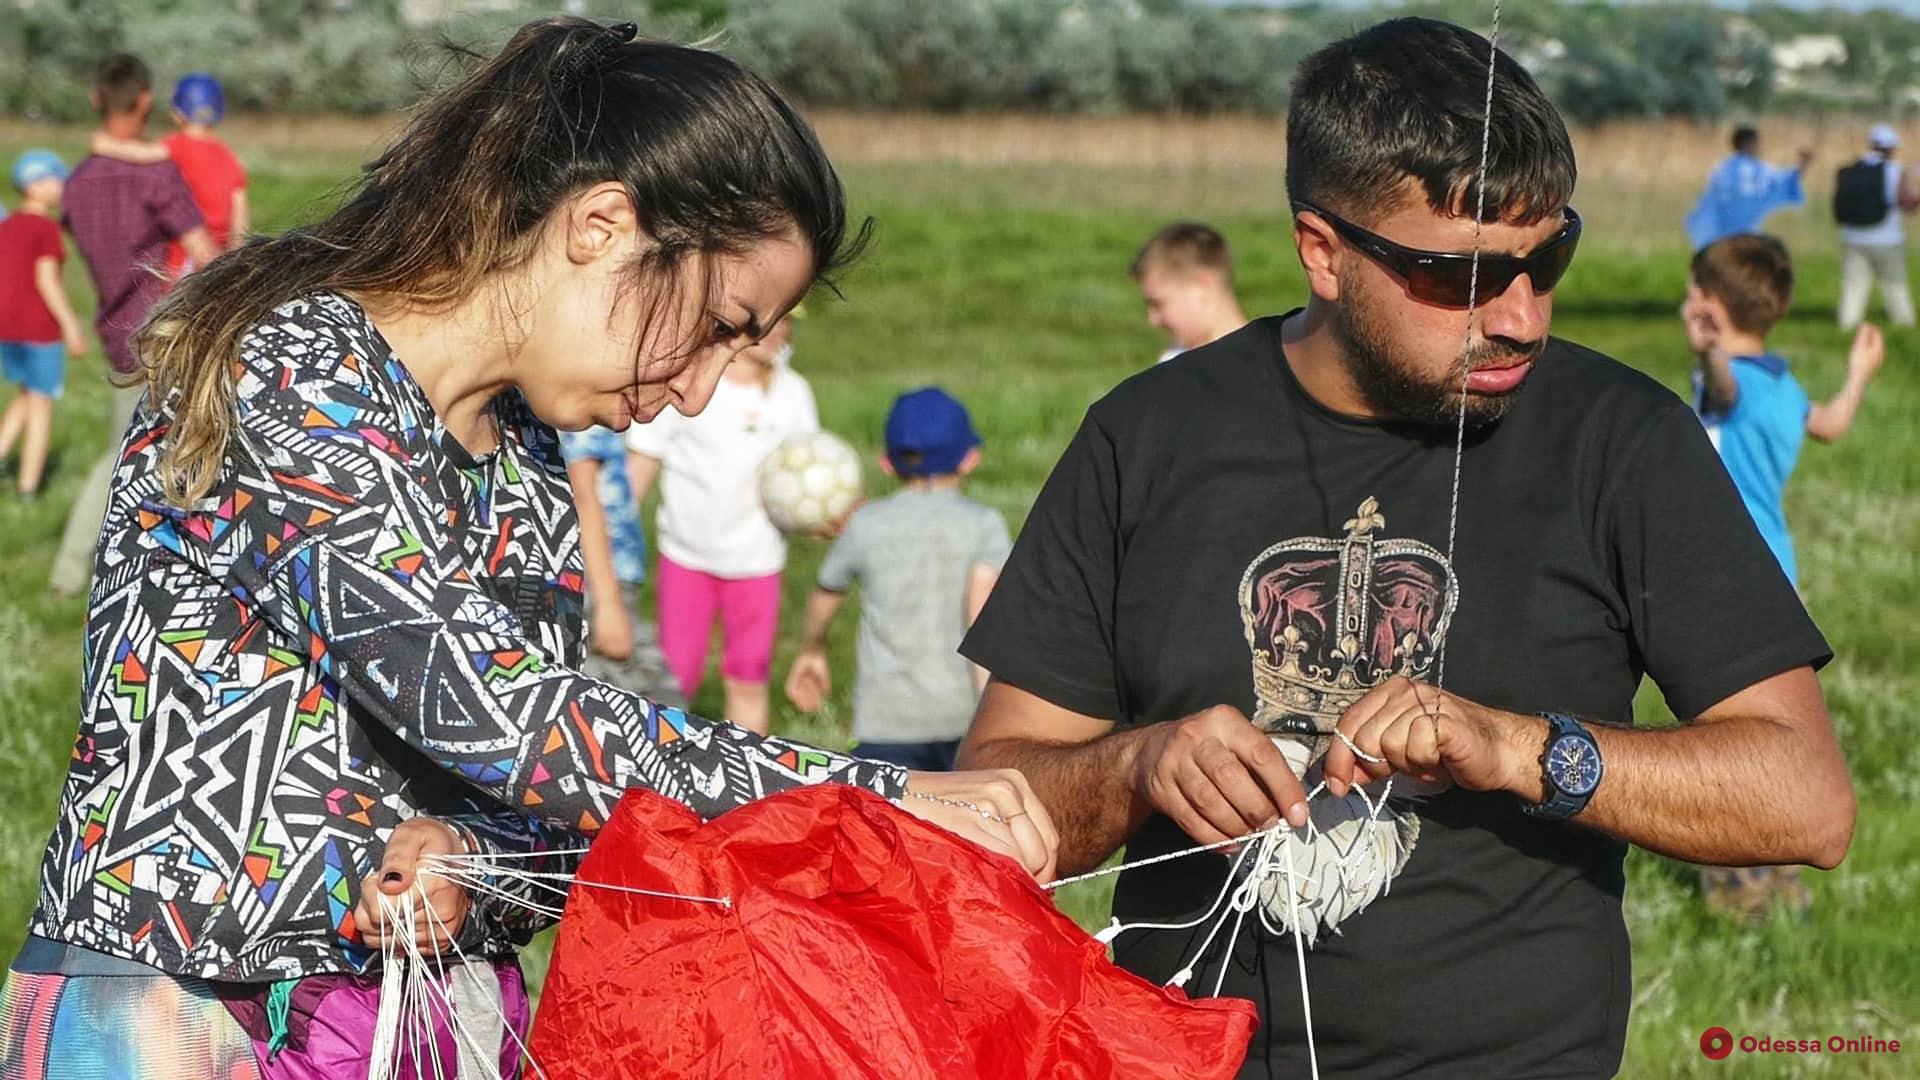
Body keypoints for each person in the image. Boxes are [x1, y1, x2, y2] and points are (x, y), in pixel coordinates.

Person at [0, 19, 1056, 1079]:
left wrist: (476, 861)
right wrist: (874, 802)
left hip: (422, 1029)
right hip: (175, 1023)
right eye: (720, 323)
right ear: (601, 224)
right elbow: (499, 712)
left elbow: (557, 790)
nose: (696, 389)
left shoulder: (529, 450)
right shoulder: (292, 374)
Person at [957, 18, 1853, 1079]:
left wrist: (1521, 750)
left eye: (1547, 255)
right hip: (1172, 1056)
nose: (1520, 315)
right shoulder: (1145, 437)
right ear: (1323, 252)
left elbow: (1808, 800)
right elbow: (989, 805)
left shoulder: (1625, 439)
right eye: (1460, 276)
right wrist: (1138, 766)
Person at [1680, 234, 1882, 921]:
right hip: (1780, 578)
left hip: (1728, 581)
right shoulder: (1784, 382)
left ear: (1713, 304)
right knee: (1774, 735)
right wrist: (1858, 372)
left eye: (1694, 293)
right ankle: (1780, 878)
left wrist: (1707, 347)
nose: (1687, 303)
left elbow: (1722, 385)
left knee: (1725, 740)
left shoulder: (1727, 377)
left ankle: (1744, 892)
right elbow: (1830, 425)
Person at [49, 53, 220, 595]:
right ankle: (73, 570)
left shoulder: (77, 184)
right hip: (161, 328)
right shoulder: (155, 175)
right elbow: (204, 253)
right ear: (145, 100)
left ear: (98, 99)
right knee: (136, 452)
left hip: (112, 328)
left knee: (155, 446)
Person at [785, 387, 1011, 772]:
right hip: (961, 719)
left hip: (883, 723)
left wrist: (811, 649)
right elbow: (983, 617)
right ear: (970, 459)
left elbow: (827, 592)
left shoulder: (865, 524)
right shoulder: (984, 526)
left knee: (885, 828)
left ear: (887, 463)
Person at [626, 309, 817, 735]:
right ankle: (662, 782)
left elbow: (808, 474)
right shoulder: (694, 385)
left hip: (757, 561)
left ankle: (746, 789)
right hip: (687, 557)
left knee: (748, 681)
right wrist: (609, 536)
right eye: (767, 324)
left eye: (785, 323)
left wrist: (824, 517)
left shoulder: (793, 394)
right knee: (674, 682)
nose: (776, 332)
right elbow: (641, 466)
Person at [561, 418, 683, 707]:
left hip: (603, 577)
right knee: (664, 703)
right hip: (599, 578)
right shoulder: (583, 409)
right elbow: (584, 496)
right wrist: (608, 603)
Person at [88, 72, 250, 278]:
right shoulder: (231, 158)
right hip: (219, 253)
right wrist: (237, 256)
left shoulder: (178, 145)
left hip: (186, 250)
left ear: (178, 114)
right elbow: (240, 218)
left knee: (176, 306)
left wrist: (106, 145)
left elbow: (143, 155)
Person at [0, 151, 88, 497]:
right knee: (42, 406)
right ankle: (28, 488)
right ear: (35, 183)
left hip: (7, 328)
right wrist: (71, 326)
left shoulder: (6, 225)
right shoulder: (46, 228)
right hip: (39, 330)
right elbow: (46, 280)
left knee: (26, 394)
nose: (61, 186)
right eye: (56, 179)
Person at [1835, 124, 1919, 331]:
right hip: (1886, 239)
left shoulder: (1852, 169)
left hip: (1853, 236)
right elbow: (1906, 203)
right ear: (1891, 147)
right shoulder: (1894, 170)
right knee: (1894, 285)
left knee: (1854, 286)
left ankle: (1847, 325)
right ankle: (1904, 325)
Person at [1131, 222, 1248, 364]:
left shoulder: (1264, 363)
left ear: (1201, 287)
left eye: (1158, 303)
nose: (1153, 320)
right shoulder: (1172, 362)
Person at [1684, 125, 1812, 251]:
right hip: (1744, 237)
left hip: (1718, 238)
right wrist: (1803, 164)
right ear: (1749, 143)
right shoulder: (1753, 169)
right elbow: (1784, 182)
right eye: (1757, 142)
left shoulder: (1722, 169)